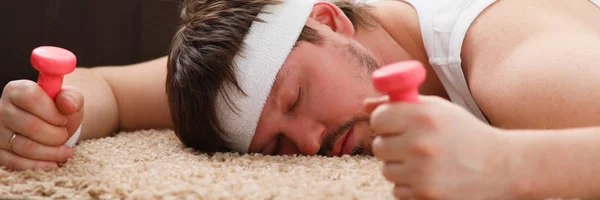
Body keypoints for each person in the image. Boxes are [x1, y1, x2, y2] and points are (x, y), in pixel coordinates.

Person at [1, 0, 600, 198]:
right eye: (279, 147)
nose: (312, 143)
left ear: (329, 19)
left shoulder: (516, 64)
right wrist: (52, 116)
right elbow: (110, 91)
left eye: (297, 100)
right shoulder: (280, 66)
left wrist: (504, 165)